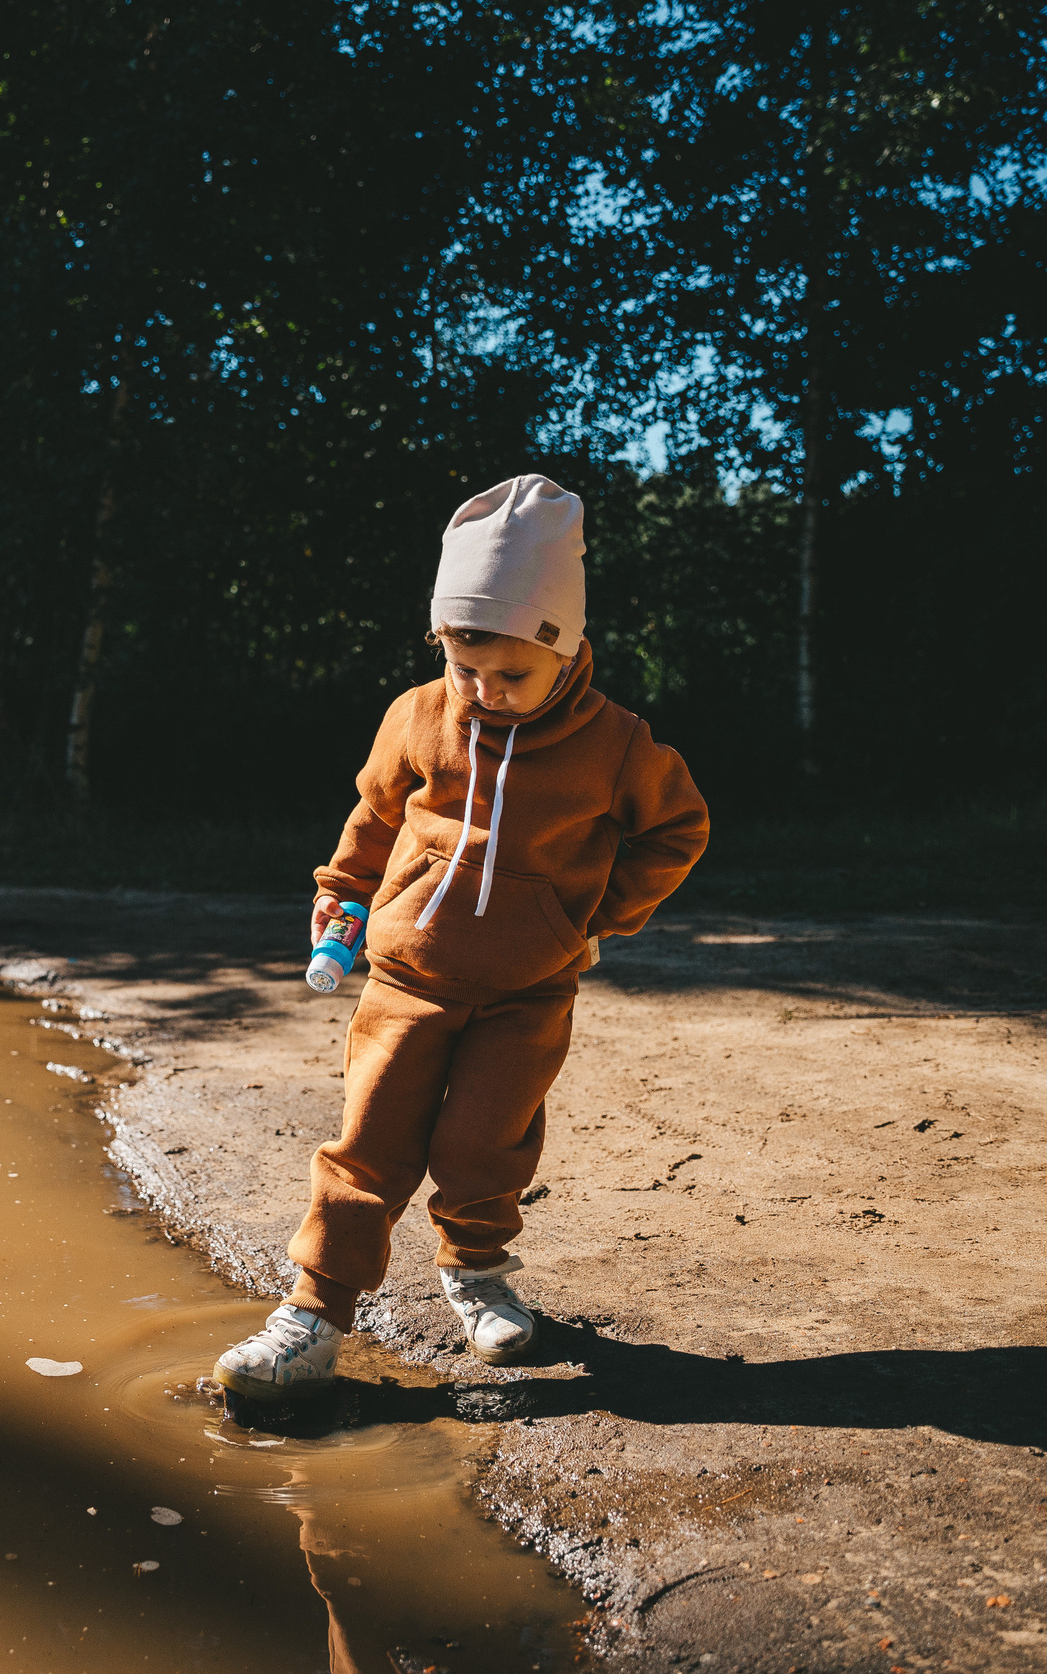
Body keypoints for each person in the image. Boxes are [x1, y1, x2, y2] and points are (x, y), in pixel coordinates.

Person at [214, 474, 709, 1400]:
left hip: (528, 991)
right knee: (369, 1144)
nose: (483, 689)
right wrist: (341, 895)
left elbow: (679, 828)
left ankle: (476, 1272)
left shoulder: (617, 745)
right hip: (405, 977)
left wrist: (592, 918)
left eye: (510, 673)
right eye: (462, 665)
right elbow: (372, 815)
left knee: (486, 1144)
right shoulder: (418, 715)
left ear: (564, 651)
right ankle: (312, 1317)